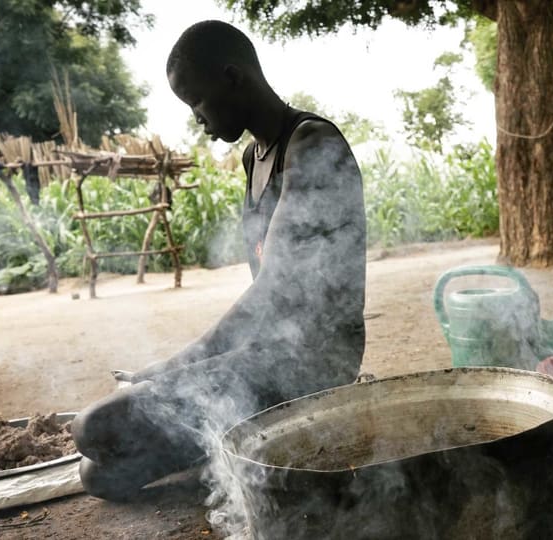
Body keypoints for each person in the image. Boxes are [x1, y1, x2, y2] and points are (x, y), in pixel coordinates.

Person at [72, 20, 367, 501]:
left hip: (314, 361)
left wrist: (177, 364)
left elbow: (276, 289)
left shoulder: (312, 145)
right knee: (100, 475)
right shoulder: (255, 158)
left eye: (196, 101)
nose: (198, 118)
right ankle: (239, 446)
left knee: (93, 428)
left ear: (233, 78)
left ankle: (255, 446)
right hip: (262, 356)